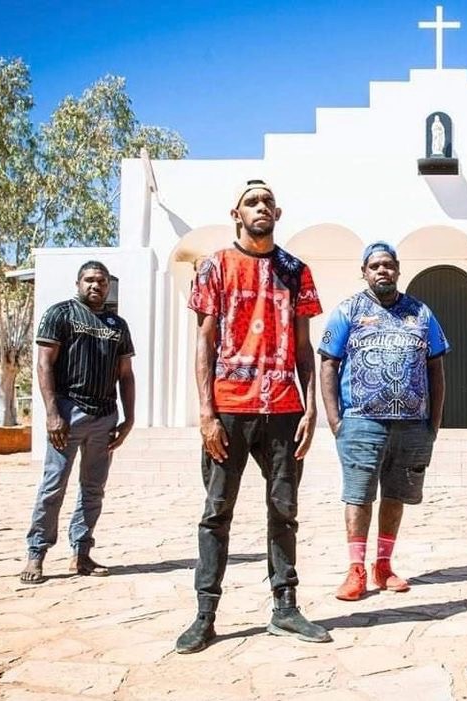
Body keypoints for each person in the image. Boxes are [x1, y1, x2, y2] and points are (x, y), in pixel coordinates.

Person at [175, 179, 330, 654]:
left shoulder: (295, 271)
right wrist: (206, 413)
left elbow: (304, 345)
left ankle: (285, 608)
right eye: (251, 202)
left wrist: (310, 408)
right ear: (236, 213)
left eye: (267, 202)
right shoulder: (216, 266)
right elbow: (204, 340)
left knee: (284, 510)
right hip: (230, 408)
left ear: (277, 214)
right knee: (216, 512)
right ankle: (205, 614)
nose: (260, 207)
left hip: (284, 408)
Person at [318, 241, 447, 601]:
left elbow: (436, 366)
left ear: (398, 269)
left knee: (395, 494)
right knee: (358, 495)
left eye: (388, 265)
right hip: (360, 422)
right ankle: (356, 569)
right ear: (364, 272)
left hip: (411, 424)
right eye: (374, 266)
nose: (382, 271)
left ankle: (384, 565)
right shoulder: (348, 311)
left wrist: (433, 423)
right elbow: (328, 362)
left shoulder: (421, 313)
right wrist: (334, 419)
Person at [19, 260, 135, 584]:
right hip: (68, 414)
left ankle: (81, 553)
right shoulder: (60, 314)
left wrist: (129, 418)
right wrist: (53, 413)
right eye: (88, 280)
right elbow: (44, 365)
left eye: (101, 281)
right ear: (78, 283)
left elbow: (125, 375)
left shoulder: (118, 325)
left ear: (108, 286)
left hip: (104, 417)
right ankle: (36, 553)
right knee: (53, 486)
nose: (95, 286)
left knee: (93, 489)